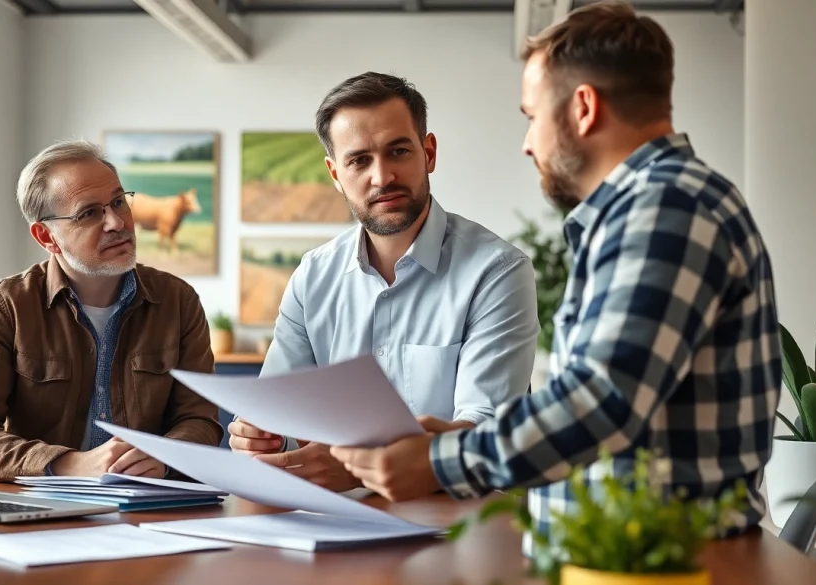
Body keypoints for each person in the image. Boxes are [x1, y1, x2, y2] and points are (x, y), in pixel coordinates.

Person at [329, 0, 782, 551]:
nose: (527, 142)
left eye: (531, 116)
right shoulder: (653, 206)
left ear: (583, 108)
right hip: (628, 554)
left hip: (662, 562)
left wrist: (441, 461)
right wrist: (465, 443)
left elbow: (601, 401)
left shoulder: (665, 208)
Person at [229, 72, 541, 492]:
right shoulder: (312, 276)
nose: (382, 177)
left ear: (428, 153)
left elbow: (485, 431)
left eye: (398, 151)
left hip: (456, 523)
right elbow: (282, 413)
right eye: (359, 160)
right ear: (335, 174)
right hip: (332, 522)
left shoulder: (497, 271)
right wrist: (262, 435)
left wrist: (355, 467)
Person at [0, 139, 222, 482]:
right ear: (46, 237)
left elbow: (201, 420)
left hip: (146, 506)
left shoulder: (178, 300)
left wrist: (164, 458)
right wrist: (67, 463)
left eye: (118, 202)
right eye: (89, 213)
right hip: (41, 509)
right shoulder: (6, 305)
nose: (117, 222)